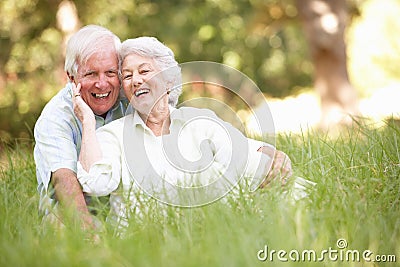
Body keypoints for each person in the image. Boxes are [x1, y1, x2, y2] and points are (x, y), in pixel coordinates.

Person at [74, 37, 292, 226]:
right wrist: (87, 121)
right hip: (143, 243)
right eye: (128, 76)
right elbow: (96, 183)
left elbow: (246, 152)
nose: (136, 80)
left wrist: (273, 155)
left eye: (144, 71)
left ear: (168, 80)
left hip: (208, 234)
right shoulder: (113, 135)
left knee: (290, 191)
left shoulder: (199, 121)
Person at [33, 25, 128, 229]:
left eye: (110, 72)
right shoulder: (55, 117)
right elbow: (63, 181)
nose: (102, 84)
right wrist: (89, 234)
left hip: (122, 206)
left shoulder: (129, 102)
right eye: (91, 74)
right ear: (71, 76)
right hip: (71, 207)